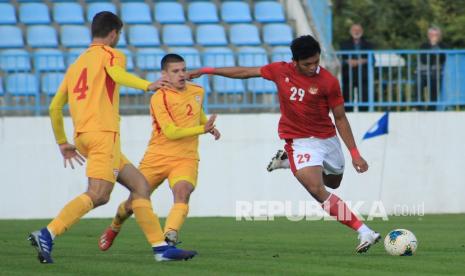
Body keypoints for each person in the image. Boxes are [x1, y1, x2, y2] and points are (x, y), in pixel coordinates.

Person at [28, 12, 196, 264]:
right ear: (114, 33)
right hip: (103, 135)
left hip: (84, 136)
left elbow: (54, 107)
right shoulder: (111, 54)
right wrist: (146, 85)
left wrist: (63, 142)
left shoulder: (76, 65)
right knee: (99, 194)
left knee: (140, 187)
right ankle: (48, 233)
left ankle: (160, 249)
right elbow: (116, 75)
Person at [189, 35, 380, 253]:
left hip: (328, 140)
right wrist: (207, 71)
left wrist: (355, 153)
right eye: (307, 64)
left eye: (316, 62)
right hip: (299, 142)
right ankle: (364, 230)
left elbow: (340, 118)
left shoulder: (328, 81)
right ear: (295, 61)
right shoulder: (280, 71)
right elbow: (244, 72)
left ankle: (288, 162)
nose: (313, 67)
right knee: (316, 189)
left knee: (333, 183)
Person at [98, 54, 220, 250]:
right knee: (132, 203)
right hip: (157, 157)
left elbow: (195, 111)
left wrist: (206, 124)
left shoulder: (198, 90)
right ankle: (115, 226)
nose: (181, 74)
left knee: (183, 191)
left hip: (186, 157)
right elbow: (171, 132)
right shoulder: (159, 97)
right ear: (164, 74)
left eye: (183, 70)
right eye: (175, 71)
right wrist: (201, 129)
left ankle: (169, 235)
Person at [339, 23, 375, 112]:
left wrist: (360, 61)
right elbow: (340, 59)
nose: (356, 32)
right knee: (347, 98)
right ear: (350, 32)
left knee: (364, 99)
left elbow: (373, 60)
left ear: (362, 32)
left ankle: (365, 115)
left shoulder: (368, 45)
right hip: (348, 76)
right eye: (354, 30)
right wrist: (348, 61)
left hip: (363, 76)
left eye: (358, 30)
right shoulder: (344, 44)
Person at [419, 26, 447, 111]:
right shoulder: (424, 46)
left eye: (435, 35)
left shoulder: (443, 46)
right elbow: (424, 60)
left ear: (439, 36)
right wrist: (432, 49)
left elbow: (442, 58)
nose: (433, 37)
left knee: (434, 84)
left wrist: (435, 46)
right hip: (424, 73)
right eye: (431, 35)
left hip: (437, 73)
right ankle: (419, 106)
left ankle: (431, 108)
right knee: (418, 82)